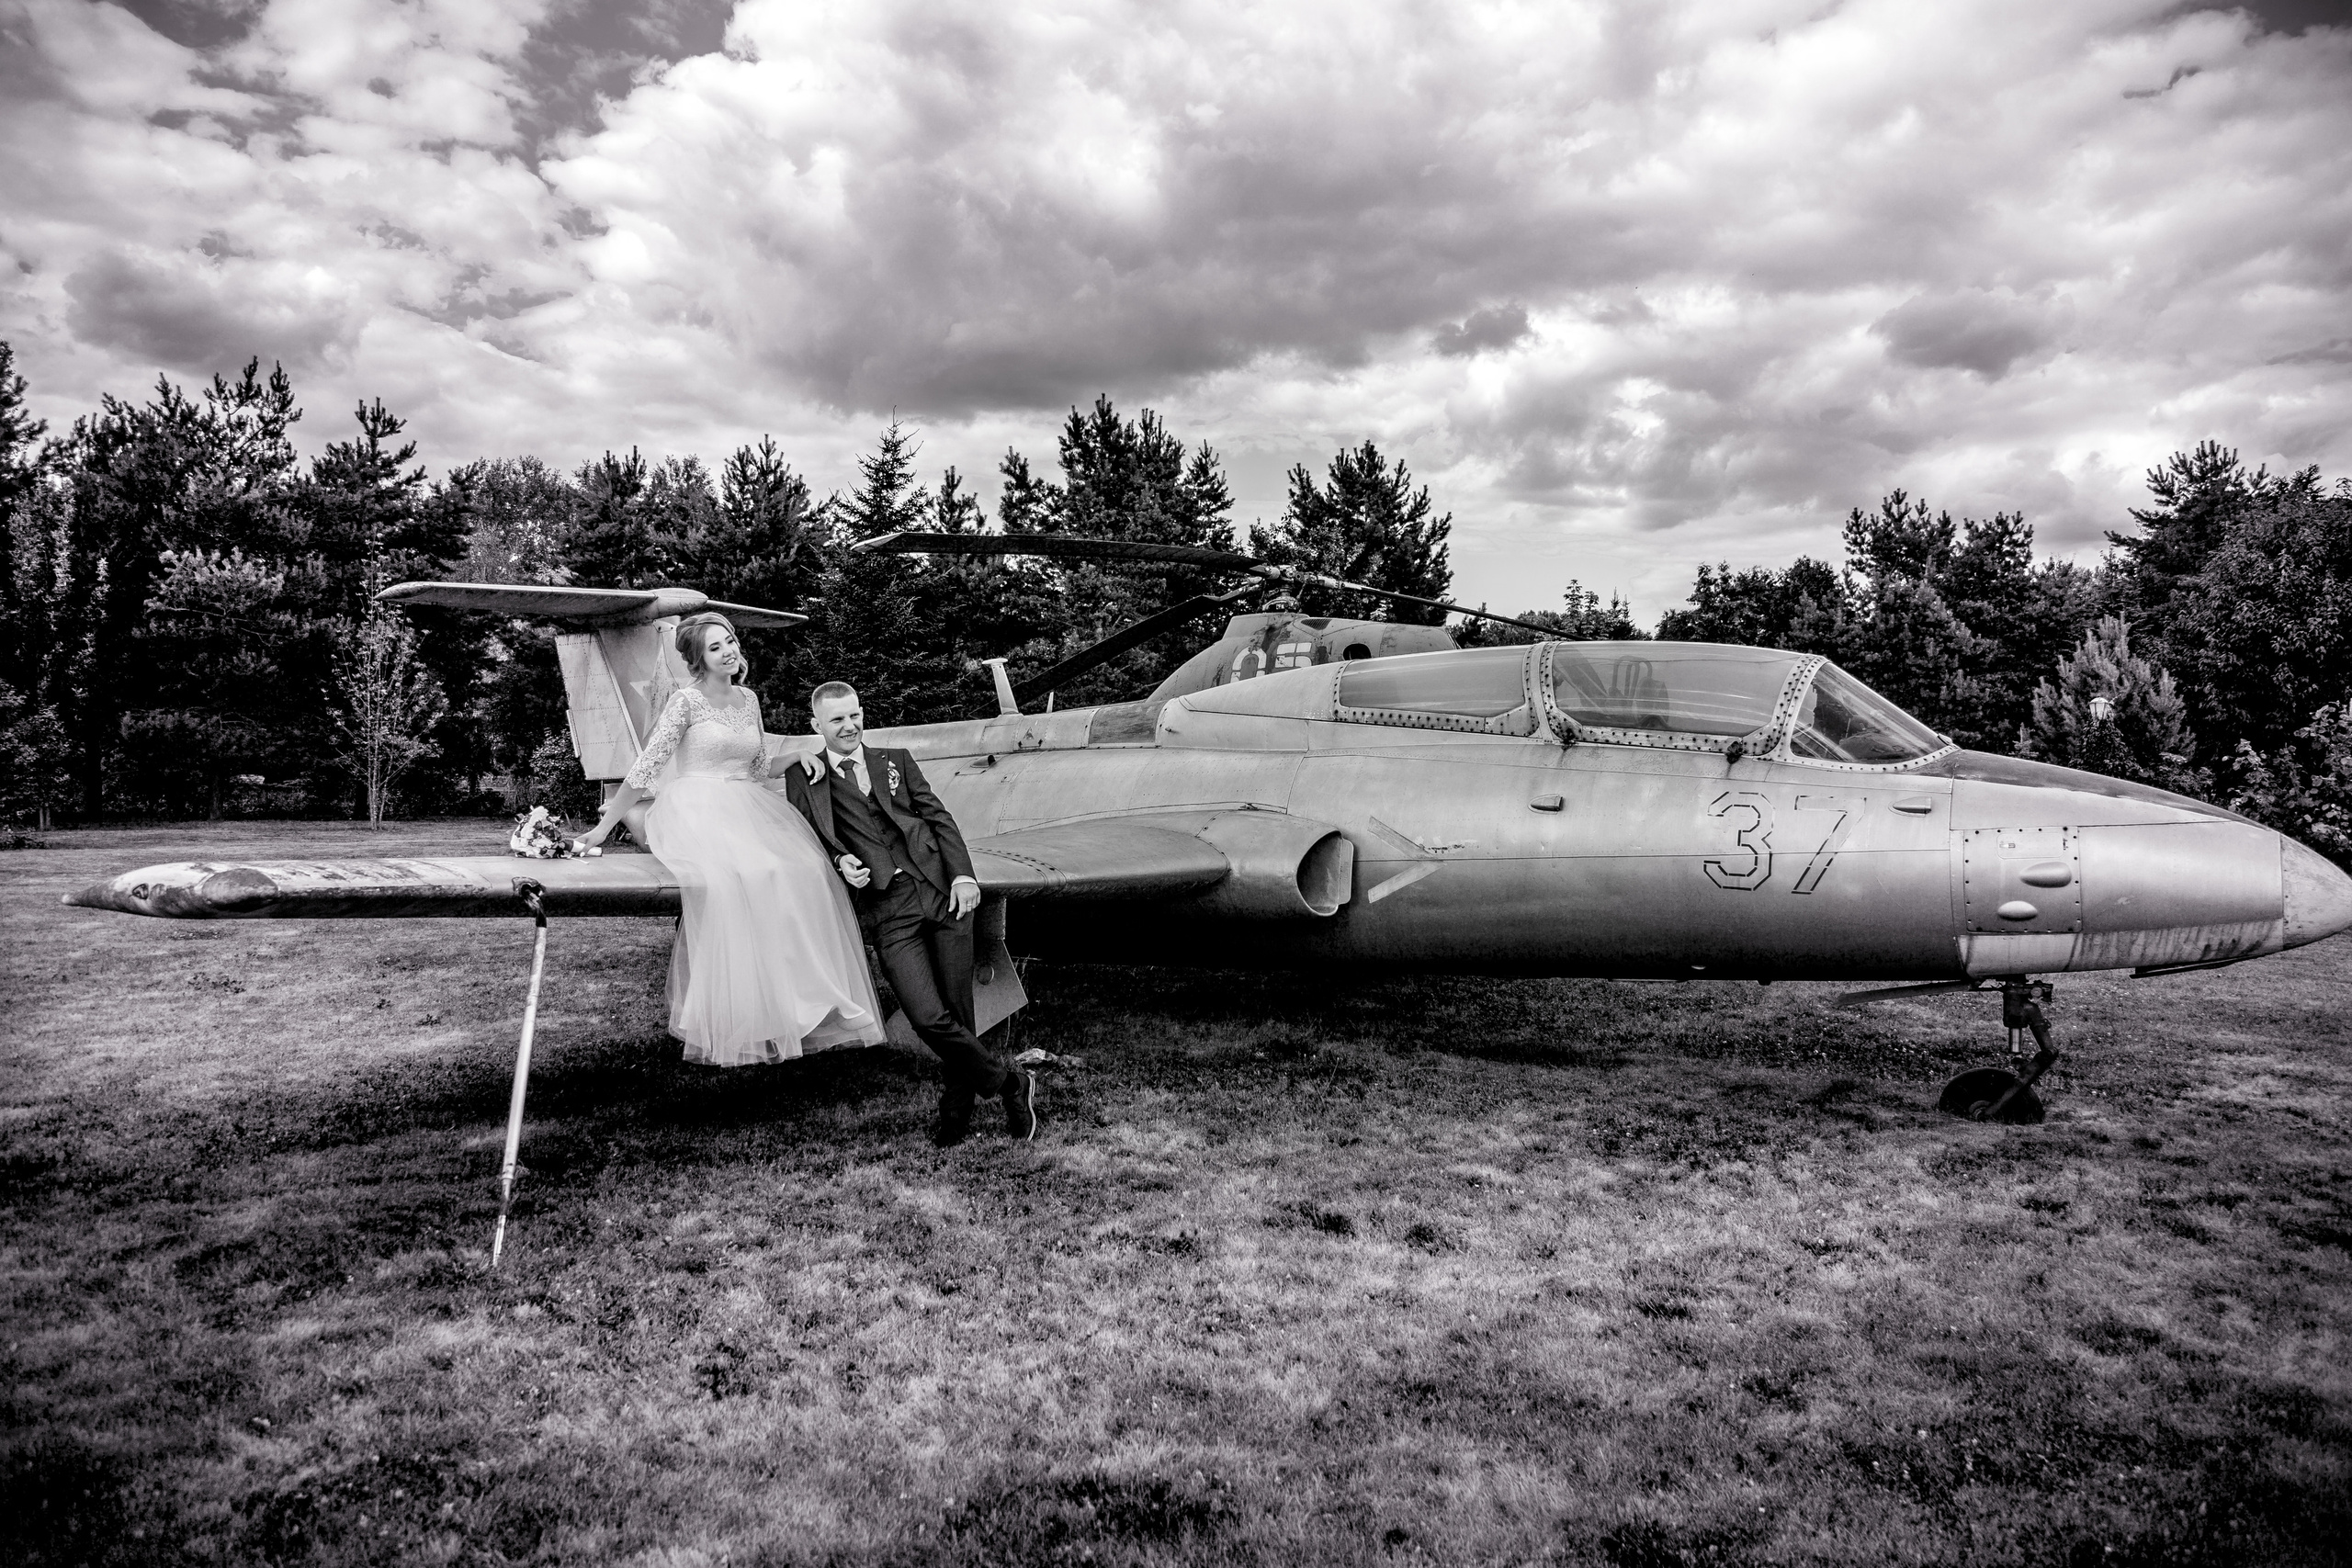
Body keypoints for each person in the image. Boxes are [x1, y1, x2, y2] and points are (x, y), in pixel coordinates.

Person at [578, 615, 887, 1066]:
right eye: (715, 647)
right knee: (749, 875)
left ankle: (810, 998)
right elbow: (646, 768)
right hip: (697, 806)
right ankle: (743, 1011)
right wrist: (605, 828)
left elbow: (757, 767)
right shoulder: (685, 702)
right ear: (698, 659)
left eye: (731, 641)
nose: (728, 651)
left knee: (802, 869)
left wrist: (799, 754)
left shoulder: (748, 698)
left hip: (747, 803)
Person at [782, 681, 1038, 1147]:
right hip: (887, 907)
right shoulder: (805, 777)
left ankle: (955, 1116)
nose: (850, 726)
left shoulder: (895, 760)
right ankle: (1009, 1083)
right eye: (837, 719)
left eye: (855, 715)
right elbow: (809, 839)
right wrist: (841, 862)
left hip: (941, 891)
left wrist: (964, 877)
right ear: (815, 725)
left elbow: (939, 818)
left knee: (958, 1014)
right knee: (926, 1018)